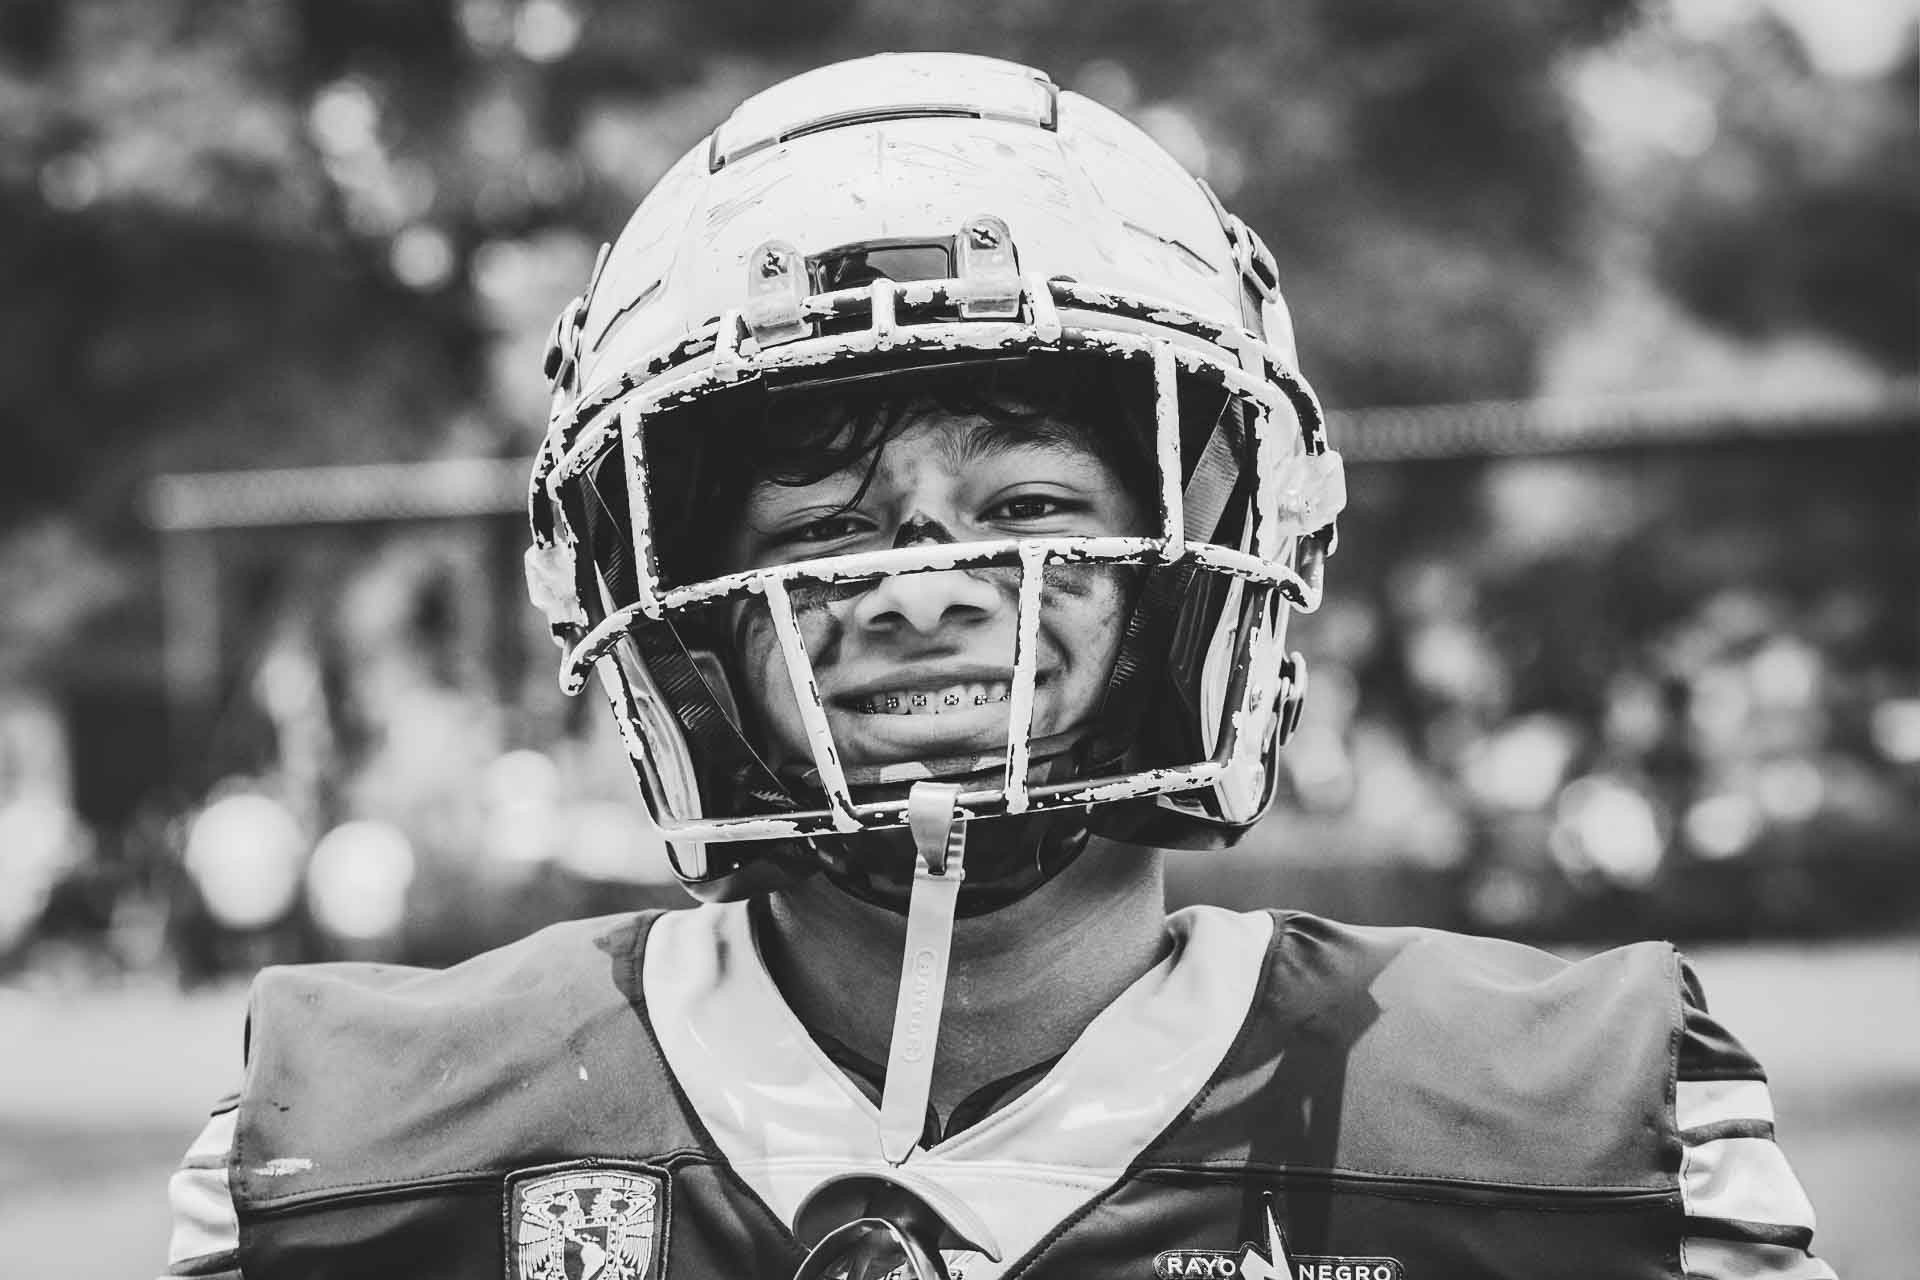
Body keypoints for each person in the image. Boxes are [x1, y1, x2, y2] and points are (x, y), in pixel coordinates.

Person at [164, 52, 1834, 1280]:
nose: (918, 594)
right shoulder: (352, 1162)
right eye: (823, 534)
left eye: (1028, 508)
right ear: (681, 613)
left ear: (1200, 566)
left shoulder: (1577, 1144)